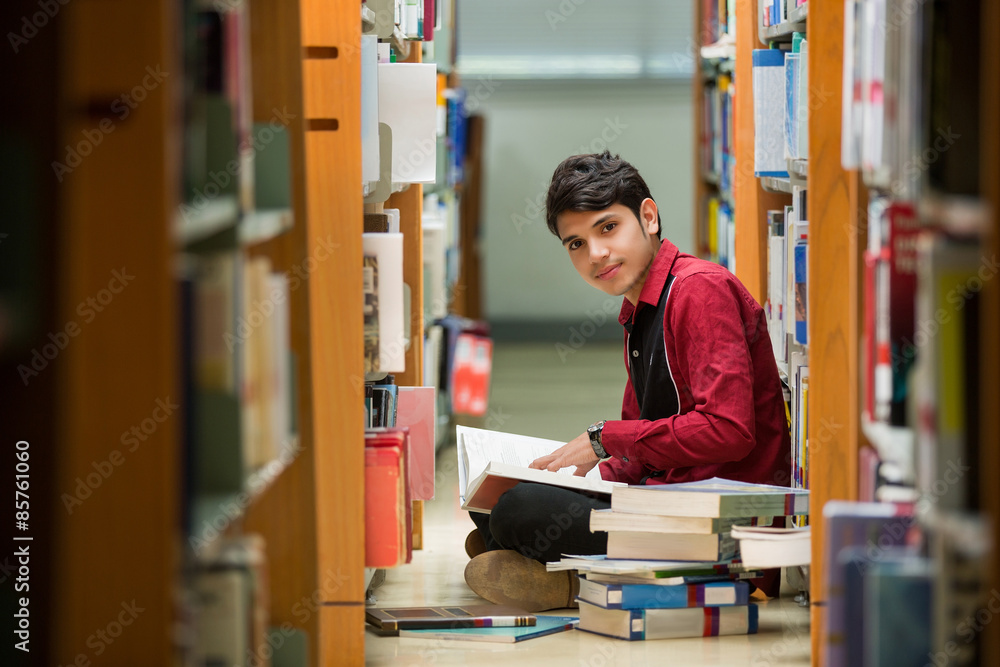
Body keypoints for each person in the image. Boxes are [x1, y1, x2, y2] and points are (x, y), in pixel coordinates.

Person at [463, 151, 791, 611]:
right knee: (495, 498)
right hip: (665, 499)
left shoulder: (699, 291)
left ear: (649, 217)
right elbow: (640, 449)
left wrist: (604, 440)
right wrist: (591, 476)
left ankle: (573, 580)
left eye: (608, 228)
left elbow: (730, 430)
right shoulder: (639, 310)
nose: (595, 254)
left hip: (715, 526)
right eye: (575, 244)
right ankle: (542, 556)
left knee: (521, 511)